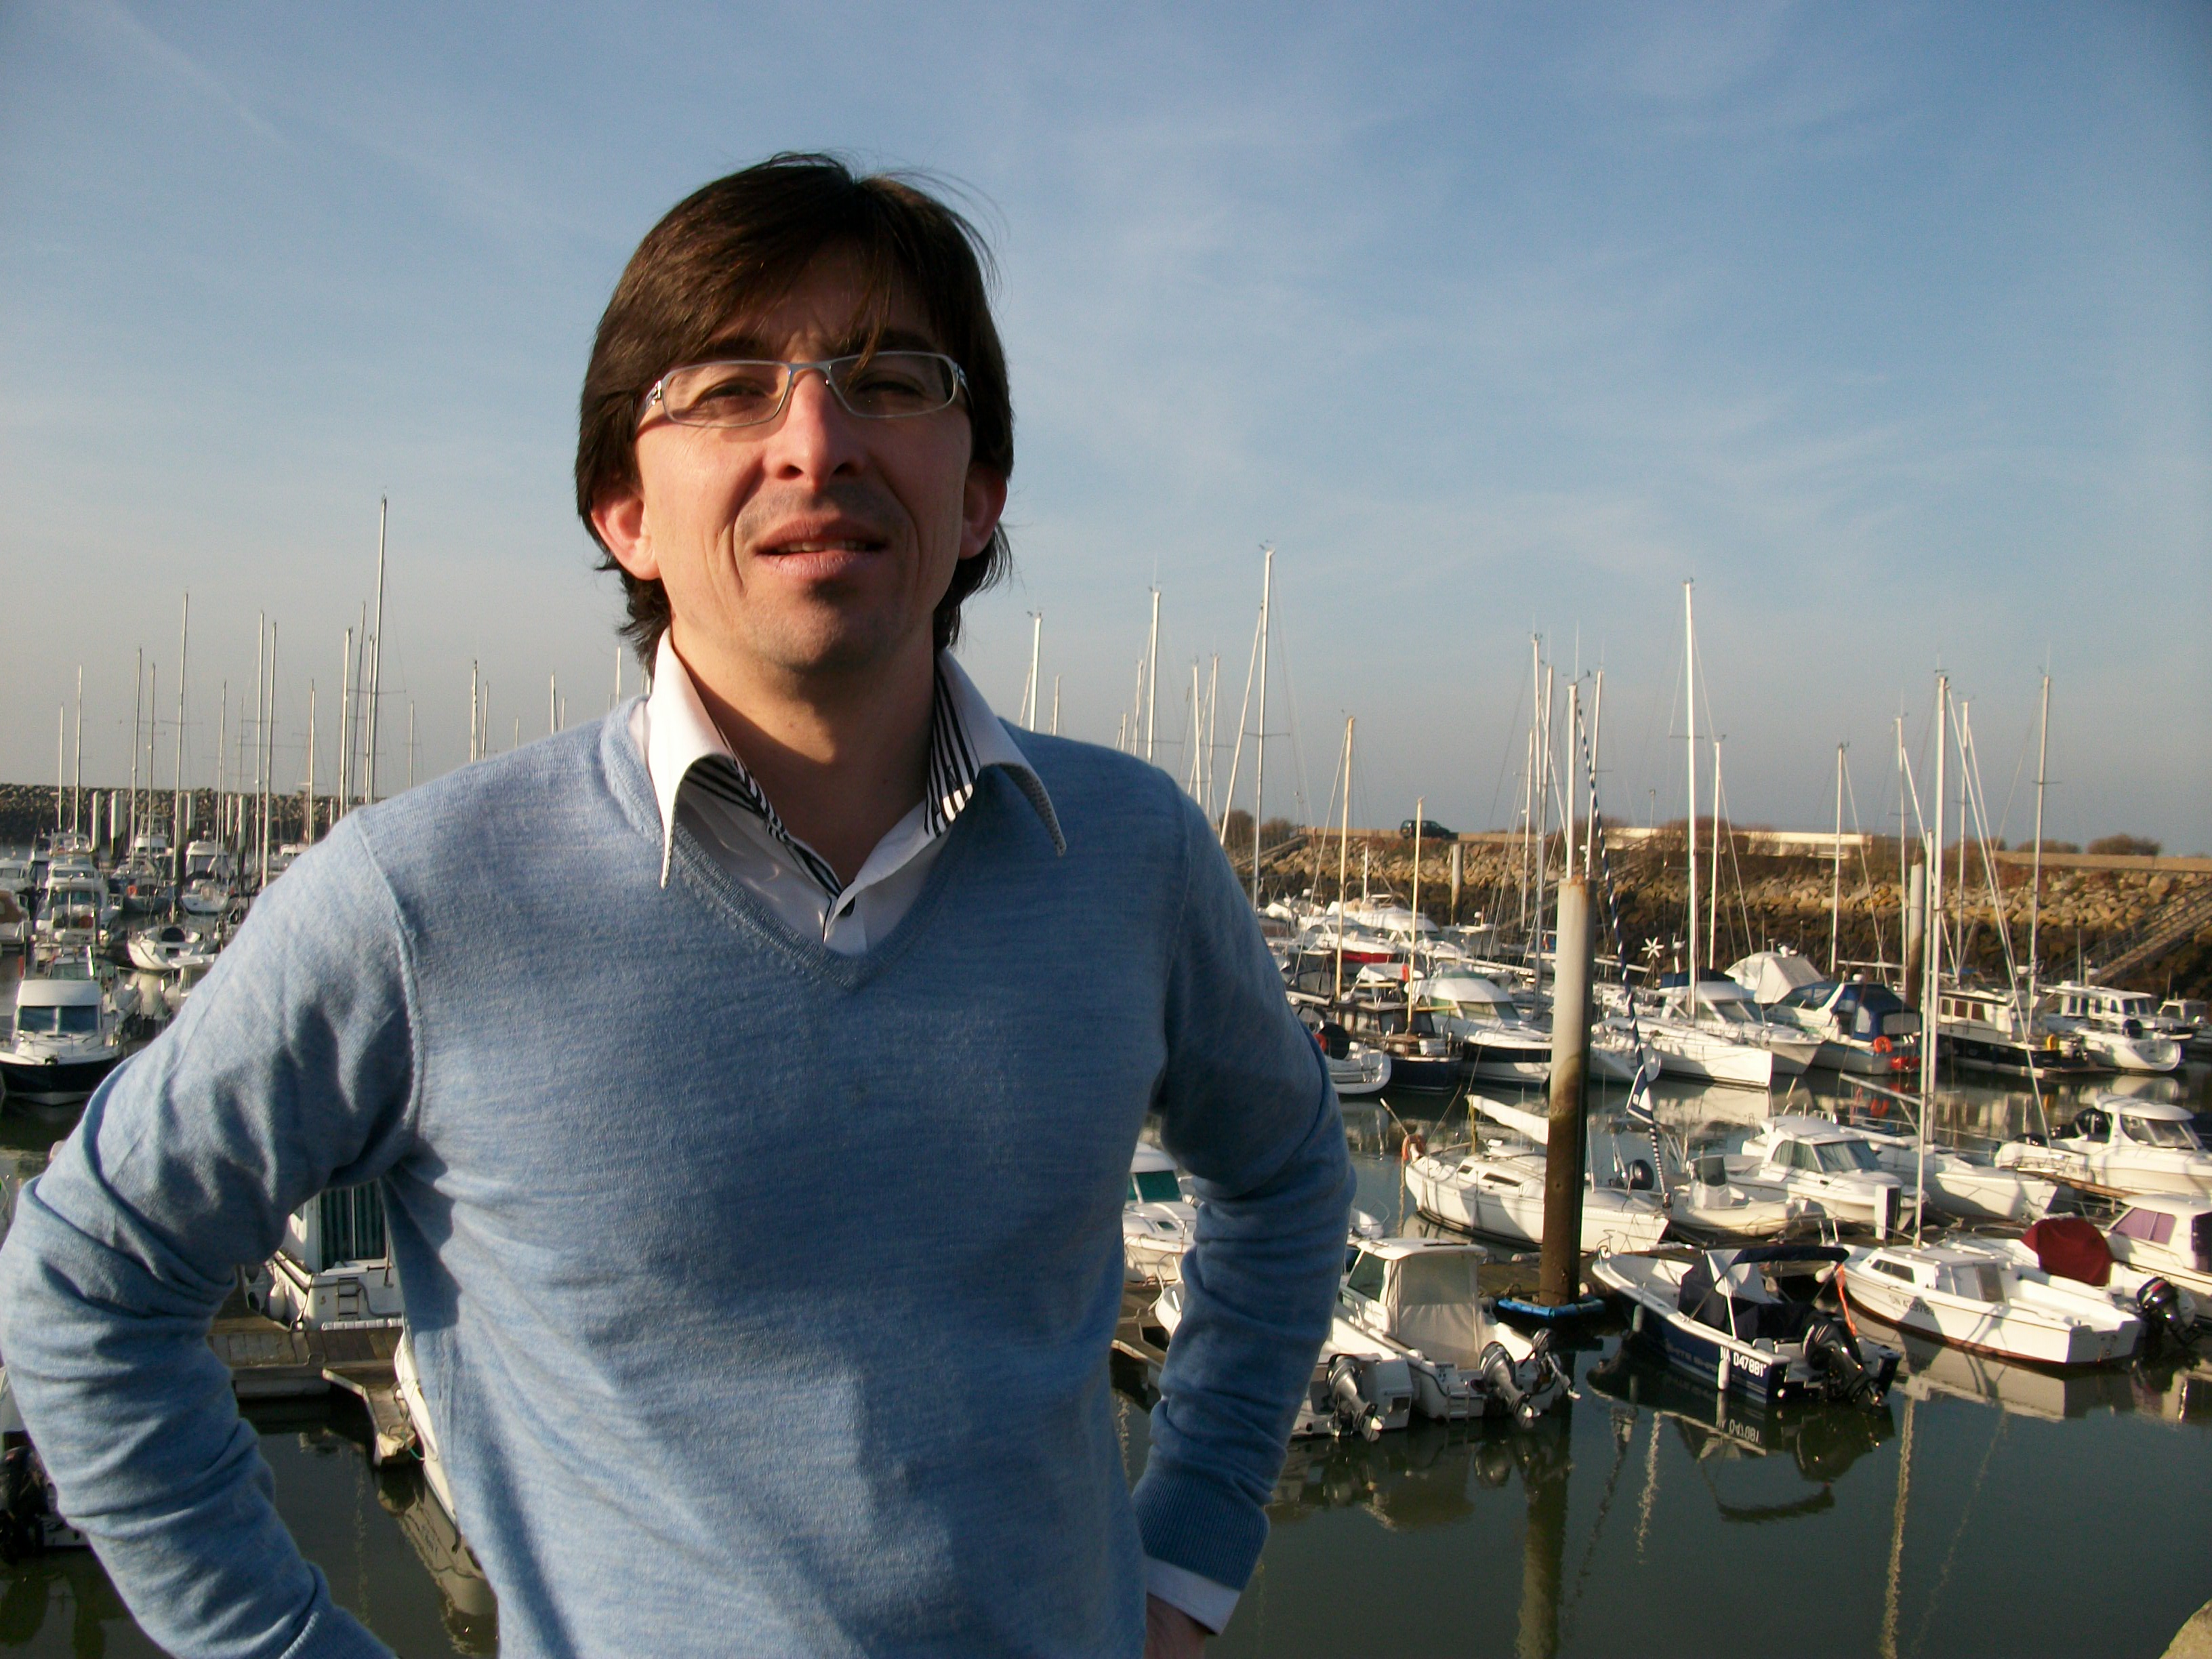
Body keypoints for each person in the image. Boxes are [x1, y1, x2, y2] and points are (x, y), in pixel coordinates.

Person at [0, 154, 1352, 1659]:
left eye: (891, 380)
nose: (816, 440)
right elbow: (87, 1289)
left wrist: (1190, 1560)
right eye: (729, 390)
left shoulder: (1134, 856)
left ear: (979, 495)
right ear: (626, 509)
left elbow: (1291, 1176)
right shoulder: (418, 904)